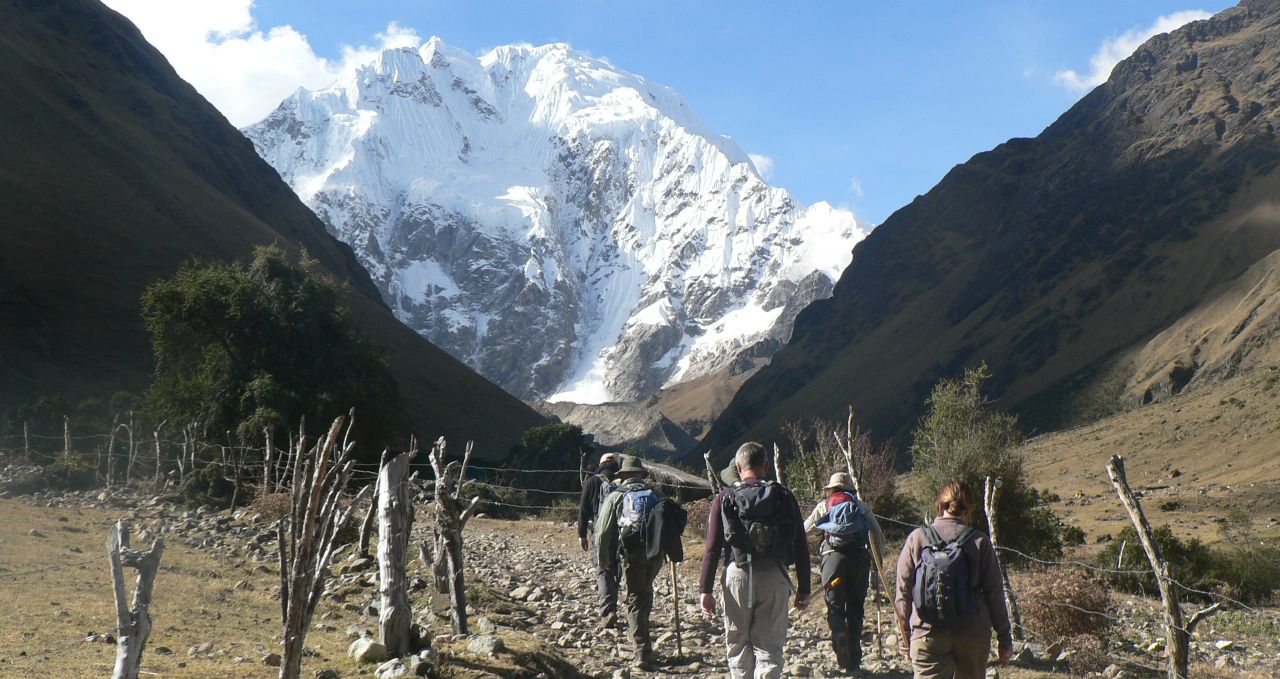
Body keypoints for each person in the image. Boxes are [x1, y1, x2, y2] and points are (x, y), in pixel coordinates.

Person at [700, 442, 810, 679]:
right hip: (775, 575)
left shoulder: (725, 497)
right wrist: (804, 588)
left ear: (739, 467)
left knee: (738, 645)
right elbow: (801, 544)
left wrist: (705, 590)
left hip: (737, 575)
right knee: (769, 648)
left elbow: (712, 547)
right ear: (766, 466)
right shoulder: (783, 495)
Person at [894, 481, 1014, 679]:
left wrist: (904, 636)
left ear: (939, 506)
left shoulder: (917, 538)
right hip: (972, 634)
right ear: (968, 510)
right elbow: (994, 592)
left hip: (927, 632)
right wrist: (1004, 638)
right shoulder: (979, 541)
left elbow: (903, 590)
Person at [803, 472, 885, 673]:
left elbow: (804, 531)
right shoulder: (861, 507)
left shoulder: (825, 505)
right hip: (859, 560)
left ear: (831, 489)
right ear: (850, 489)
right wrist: (877, 567)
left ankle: (839, 634)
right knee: (856, 609)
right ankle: (855, 660)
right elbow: (879, 537)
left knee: (835, 606)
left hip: (833, 560)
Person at [595, 455, 666, 669]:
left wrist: (603, 558)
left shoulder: (616, 496)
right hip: (655, 554)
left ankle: (641, 651)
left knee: (634, 598)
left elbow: (602, 532)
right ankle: (643, 636)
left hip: (631, 552)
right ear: (641, 475)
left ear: (623, 475)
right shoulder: (656, 494)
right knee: (645, 591)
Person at [579, 452, 622, 626]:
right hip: (622, 532)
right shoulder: (623, 481)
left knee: (602, 569)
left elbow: (583, 510)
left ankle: (608, 611)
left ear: (601, 463)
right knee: (616, 568)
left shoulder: (592, 481)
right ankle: (617, 605)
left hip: (600, 531)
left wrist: (582, 534)